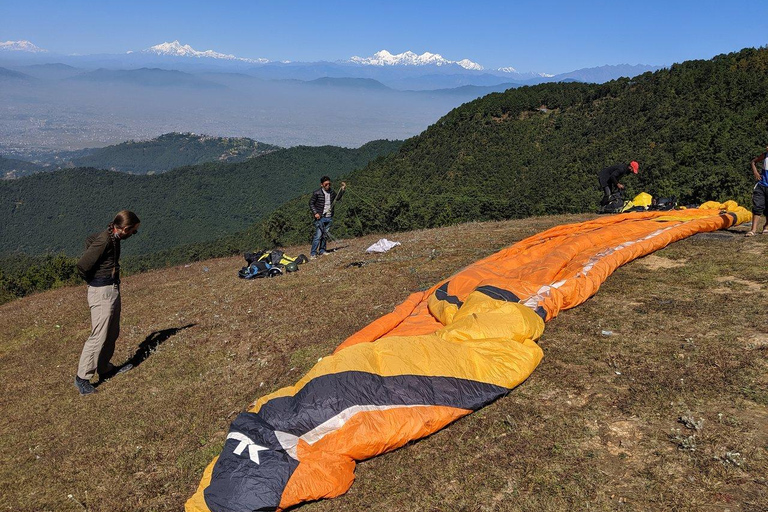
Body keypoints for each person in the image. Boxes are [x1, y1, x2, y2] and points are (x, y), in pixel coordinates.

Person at [74, 210, 140, 395]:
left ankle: (104, 368)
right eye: (133, 231)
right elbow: (82, 265)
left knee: (112, 332)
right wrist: (94, 279)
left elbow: (89, 240)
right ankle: (82, 378)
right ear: (125, 229)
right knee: (98, 336)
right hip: (102, 291)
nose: (133, 235)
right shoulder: (105, 240)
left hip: (111, 289)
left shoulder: (112, 236)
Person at [309, 176, 346, 258]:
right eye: (326, 184)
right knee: (318, 236)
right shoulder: (317, 193)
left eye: (329, 184)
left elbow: (337, 198)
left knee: (325, 235)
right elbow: (311, 203)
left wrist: (342, 189)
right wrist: (315, 213)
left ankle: (322, 250)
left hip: (329, 217)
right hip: (320, 217)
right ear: (321, 185)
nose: (328, 185)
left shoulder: (332, 192)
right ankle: (313, 253)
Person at [746, 146, 768, 237]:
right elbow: (753, 162)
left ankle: (766, 227)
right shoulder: (765, 155)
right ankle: (753, 230)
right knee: (758, 206)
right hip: (762, 185)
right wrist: (755, 172)